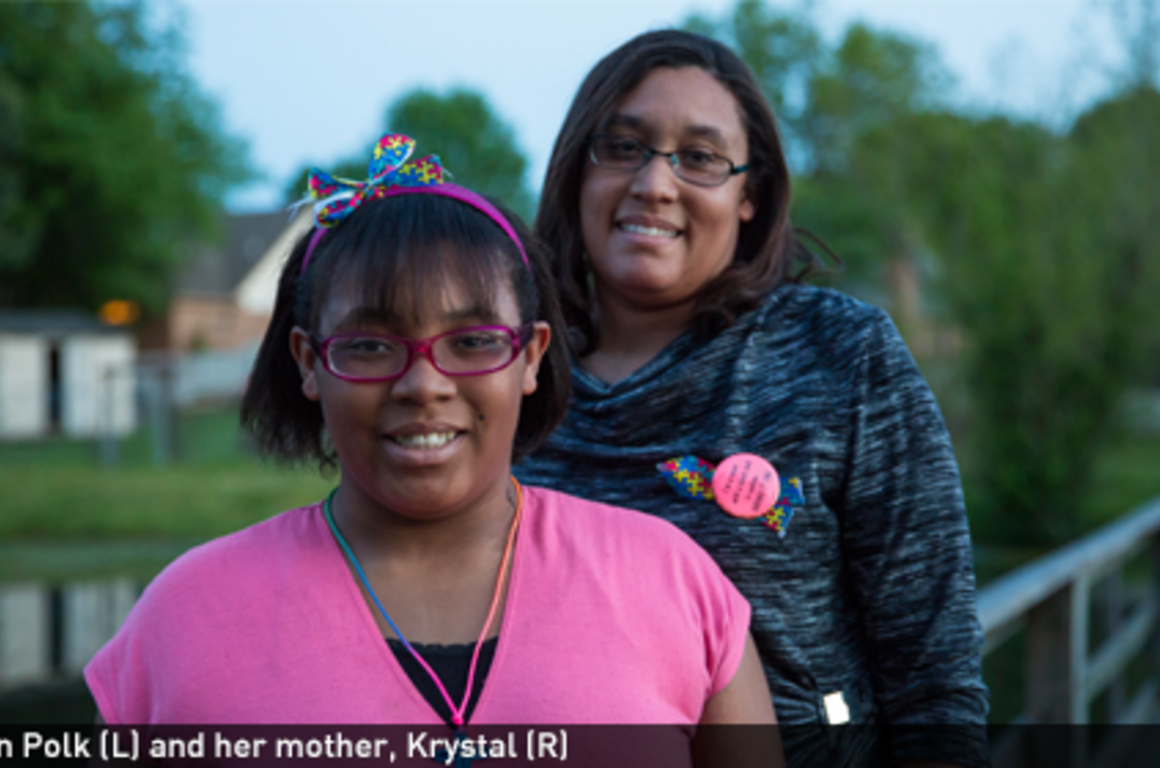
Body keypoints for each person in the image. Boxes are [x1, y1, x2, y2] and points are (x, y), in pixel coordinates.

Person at [83, 135, 776, 756]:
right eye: (370, 346)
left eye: (472, 341)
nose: (422, 383)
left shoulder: (675, 587)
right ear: (307, 363)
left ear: (532, 356)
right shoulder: (185, 619)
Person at [515, 30, 989, 766]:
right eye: (623, 146)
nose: (655, 183)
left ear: (749, 196)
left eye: (700, 158)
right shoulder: (508, 371)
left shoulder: (841, 354)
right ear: (578, 170)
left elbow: (935, 673)